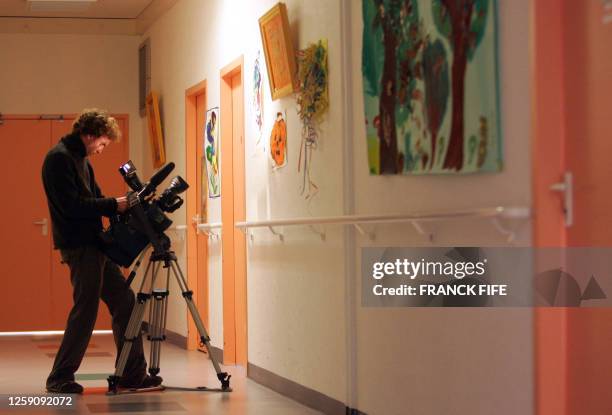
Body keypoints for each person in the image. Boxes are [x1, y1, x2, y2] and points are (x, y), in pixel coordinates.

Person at [42, 109, 162, 394]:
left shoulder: (81, 160)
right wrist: (114, 204)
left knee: (125, 301)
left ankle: (132, 374)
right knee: (85, 310)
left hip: (94, 244)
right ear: (90, 135)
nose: (101, 149)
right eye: (102, 144)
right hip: (79, 245)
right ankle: (59, 377)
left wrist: (123, 206)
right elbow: (73, 206)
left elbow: (95, 198)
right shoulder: (59, 159)